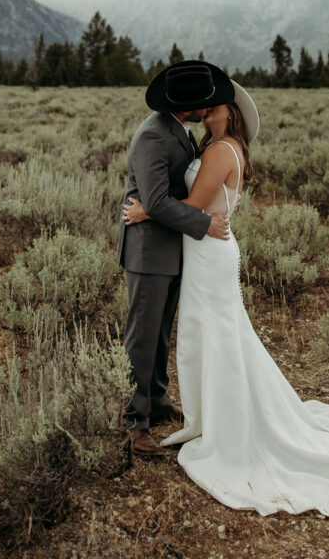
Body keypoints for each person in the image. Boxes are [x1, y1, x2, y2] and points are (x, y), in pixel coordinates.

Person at [122, 79, 329, 516]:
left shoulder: (218, 148)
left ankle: (186, 409)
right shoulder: (164, 134)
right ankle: (141, 417)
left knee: (204, 332)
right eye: (204, 101)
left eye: (216, 104)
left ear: (228, 114)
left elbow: (192, 203)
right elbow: (181, 199)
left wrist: (149, 207)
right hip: (175, 251)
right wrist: (157, 207)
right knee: (158, 332)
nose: (208, 107)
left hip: (202, 249)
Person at [118, 59, 235, 456]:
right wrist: (203, 222)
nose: (209, 107)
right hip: (149, 250)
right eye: (204, 102)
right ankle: (135, 423)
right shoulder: (153, 136)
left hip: (172, 247)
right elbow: (154, 201)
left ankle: (156, 397)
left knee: (161, 331)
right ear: (188, 107)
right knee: (142, 335)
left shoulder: (180, 130)